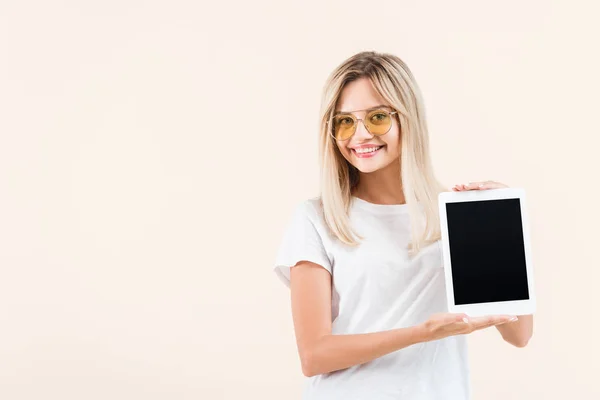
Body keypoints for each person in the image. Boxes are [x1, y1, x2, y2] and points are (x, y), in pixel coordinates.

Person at [272, 51, 534, 400]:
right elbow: (314, 355)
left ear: (407, 119)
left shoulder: (456, 216)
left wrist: (503, 227)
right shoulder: (317, 218)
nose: (360, 135)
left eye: (377, 118)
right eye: (345, 122)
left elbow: (519, 335)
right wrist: (421, 333)